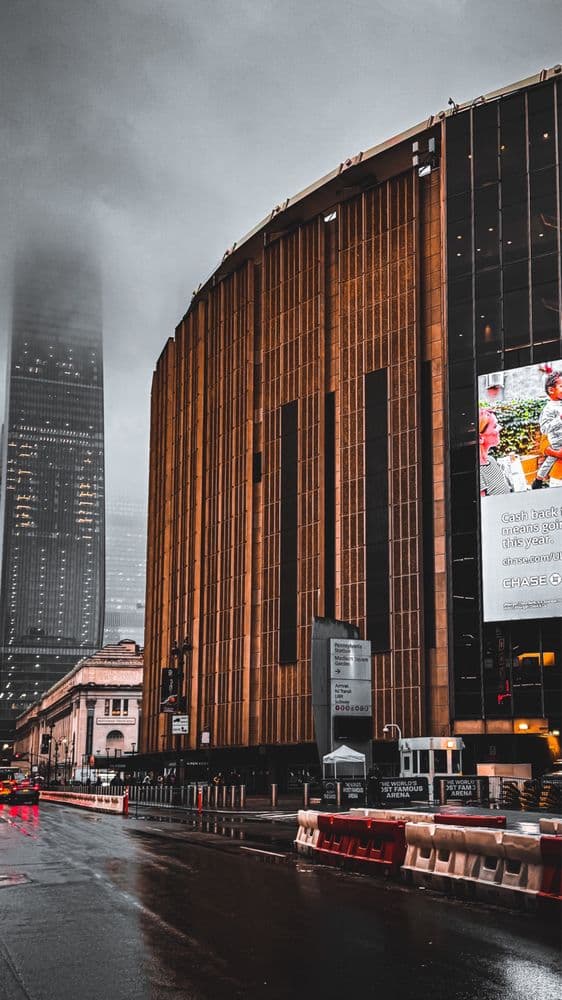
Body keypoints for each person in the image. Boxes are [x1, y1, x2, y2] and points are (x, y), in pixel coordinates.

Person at [532, 371, 562, 488]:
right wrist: (556, 453)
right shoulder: (549, 409)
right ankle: (538, 480)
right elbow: (544, 442)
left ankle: (538, 480)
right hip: (559, 476)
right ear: (551, 390)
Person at [479, 409, 513, 496]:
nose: (500, 428)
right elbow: (483, 507)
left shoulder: (492, 460)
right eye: (494, 426)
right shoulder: (477, 472)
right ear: (480, 438)